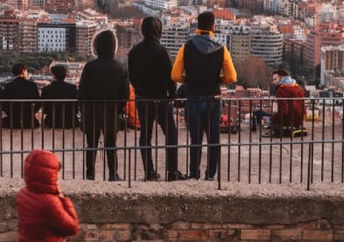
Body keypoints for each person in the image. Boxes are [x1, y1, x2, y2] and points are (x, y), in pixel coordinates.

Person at [171, 11, 237, 180]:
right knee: (214, 139)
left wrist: (190, 79)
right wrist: (217, 79)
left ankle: (194, 173)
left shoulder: (186, 47)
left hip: (193, 97)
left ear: (197, 26)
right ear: (213, 26)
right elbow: (231, 77)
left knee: (196, 139)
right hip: (213, 98)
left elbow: (175, 75)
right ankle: (211, 174)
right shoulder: (221, 49)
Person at [127, 16, 183, 181]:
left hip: (142, 98)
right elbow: (170, 78)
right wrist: (172, 95)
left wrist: (139, 90)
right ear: (159, 31)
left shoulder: (134, 52)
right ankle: (172, 171)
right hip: (161, 99)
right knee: (171, 134)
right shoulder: (162, 52)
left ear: (143, 31)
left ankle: (149, 171)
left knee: (145, 134)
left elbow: (133, 77)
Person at [78, 30, 129, 181]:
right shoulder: (121, 68)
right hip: (111, 111)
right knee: (111, 144)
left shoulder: (90, 67)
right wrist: (118, 108)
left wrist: (83, 109)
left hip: (91, 110)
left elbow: (82, 92)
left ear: (97, 46)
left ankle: (90, 174)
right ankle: (113, 174)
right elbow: (124, 94)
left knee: (91, 145)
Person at [15, 149, 79, 242]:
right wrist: (63, 198)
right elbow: (72, 227)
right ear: (49, 175)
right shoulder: (50, 203)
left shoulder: (23, 193)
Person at [1, 64, 41, 129]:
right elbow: (38, 103)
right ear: (23, 71)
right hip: (29, 120)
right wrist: (32, 112)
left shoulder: (9, 86)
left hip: (12, 120)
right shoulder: (32, 85)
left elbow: (3, 104)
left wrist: (10, 112)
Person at [270, 69, 306, 136]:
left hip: (289, 120)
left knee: (273, 119)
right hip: (299, 120)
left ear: (281, 79)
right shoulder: (299, 88)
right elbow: (303, 108)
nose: (273, 82)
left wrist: (274, 119)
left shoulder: (281, 90)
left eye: (275, 79)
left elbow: (283, 111)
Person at [41, 65, 78, 129]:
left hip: (52, 121)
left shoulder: (46, 89)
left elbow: (45, 109)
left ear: (54, 75)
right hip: (70, 121)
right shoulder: (73, 88)